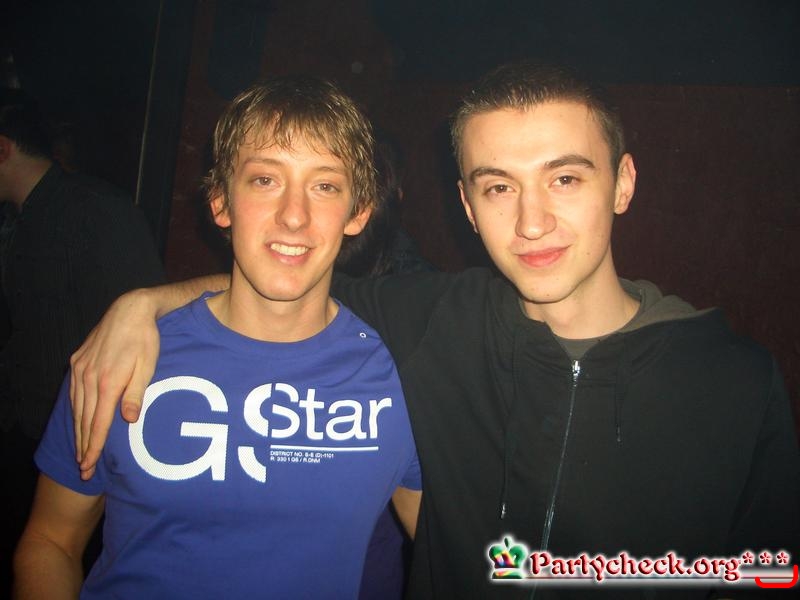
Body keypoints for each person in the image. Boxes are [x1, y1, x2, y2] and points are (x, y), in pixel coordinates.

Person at [65, 62, 799, 599]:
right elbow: (289, 273)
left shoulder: (733, 383)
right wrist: (144, 303)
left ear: (624, 182)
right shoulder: (428, 323)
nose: (532, 220)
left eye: (565, 179)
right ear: (468, 207)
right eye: (499, 186)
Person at [13, 76, 421, 599]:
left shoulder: (395, 373)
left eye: (324, 186)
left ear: (357, 213)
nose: (294, 216)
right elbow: (51, 541)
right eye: (265, 180)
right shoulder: (123, 354)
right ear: (220, 202)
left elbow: (461, 552)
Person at [0, 87, 165, 589]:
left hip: (86, 443)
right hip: (24, 432)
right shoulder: (18, 221)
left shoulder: (96, 209)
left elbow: (149, 317)